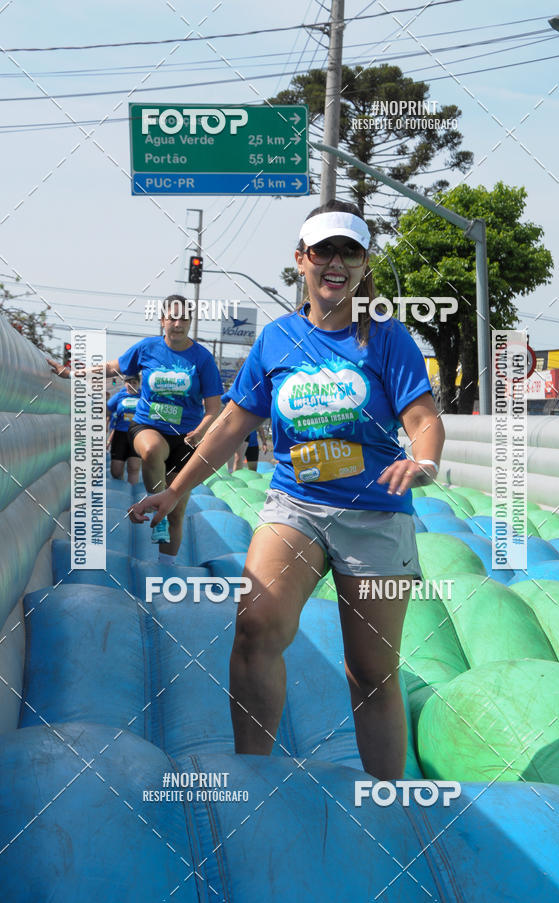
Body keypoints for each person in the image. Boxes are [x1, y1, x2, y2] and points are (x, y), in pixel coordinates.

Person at [129, 201, 445, 780]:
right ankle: (253, 780)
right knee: (255, 625)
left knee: (370, 671)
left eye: (350, 251)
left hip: (375, 516)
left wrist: (424, 459)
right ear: (301, 259)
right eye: (323, 249)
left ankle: (389, 805)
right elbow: (231, 425)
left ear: (363, 264)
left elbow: (423, 417)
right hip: (295, 506)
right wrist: (175, 491)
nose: (336, 262)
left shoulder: (388, 338)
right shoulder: (276, 340)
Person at [50, 294, 223, 564]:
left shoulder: (202, 359)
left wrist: (201, 431)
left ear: (190, 322)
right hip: (147, 425)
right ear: (162, 320)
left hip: (186, 438)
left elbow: (214, 408)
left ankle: (165, 567)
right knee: (153, 449)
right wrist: (71, 373)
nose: (177, 324)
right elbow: (110, 368)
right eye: (172, 318)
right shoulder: (147, 348)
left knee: (176, 513)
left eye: (183, 318)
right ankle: (154, 498)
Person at [106, 375, 141, 484]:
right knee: (116, 471)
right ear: (125, 383)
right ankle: (121, 490)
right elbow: (107, 411)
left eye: (134, 382)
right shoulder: (119, 396)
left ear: (139, 384)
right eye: (129, 382)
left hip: (137, 434)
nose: (131, 385)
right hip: (120, 434)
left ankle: (132, 493)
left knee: (133, 467)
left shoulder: (144, 396)